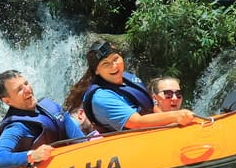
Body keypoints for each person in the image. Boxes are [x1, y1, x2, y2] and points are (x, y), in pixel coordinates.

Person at [64, 40, 199, 134]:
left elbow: (151, 106)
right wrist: (175, 116)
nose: (114, 66)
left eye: (115, 59)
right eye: (106, 64)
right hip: (127, 148)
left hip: (150, 134)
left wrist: (170, 123)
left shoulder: (128, 77)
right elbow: (137, 122)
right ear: (97, 71)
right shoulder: (101, 97)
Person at [0, 69, 86, 168]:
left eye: (26, 83)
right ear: (7, 101)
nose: (27, 90)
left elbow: (82, 141)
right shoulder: (16, 127)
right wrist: (32, 155)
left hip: (71, 164)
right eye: (19, 90)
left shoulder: (51, 108)